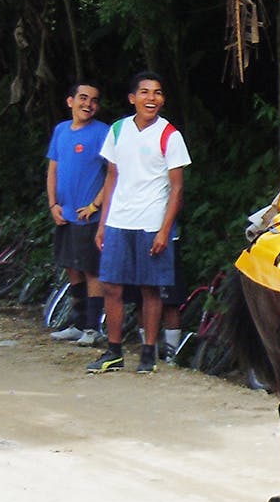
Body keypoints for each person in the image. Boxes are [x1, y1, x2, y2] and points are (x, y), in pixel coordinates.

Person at [86, 70, 191, 375]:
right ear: (132, 98)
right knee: (112, 287)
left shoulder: (170, 135)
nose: (151, 98)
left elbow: (177, 188)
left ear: (162, 99)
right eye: (145, 92)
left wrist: (164, 230)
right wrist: (102, 223)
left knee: (151, 289)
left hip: (151, 223)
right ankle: (114, 352)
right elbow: (111, 176)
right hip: (119, 220)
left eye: (157, 93)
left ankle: (148, 353)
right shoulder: (118, 130)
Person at [46, 81, 110, 346]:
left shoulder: (103, 132)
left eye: (94, 100)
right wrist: (52, 205)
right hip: (65, 213)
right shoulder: (61, 130)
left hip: (90, 217)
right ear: (70, 101)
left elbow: (114, 174)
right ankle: (77, 322)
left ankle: (93, 328)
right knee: (72, 267)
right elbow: (53, 169)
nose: (89, 104)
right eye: (83, 98)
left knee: (91, 269)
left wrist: (95, 205)